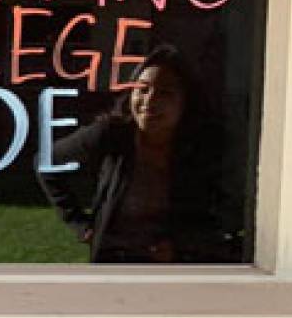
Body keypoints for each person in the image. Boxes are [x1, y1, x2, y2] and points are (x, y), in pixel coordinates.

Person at [37, 44, 238, 263]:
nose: (149, 101)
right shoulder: (112, 134)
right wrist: (79, 223)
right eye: (142, 89)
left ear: (186, 102)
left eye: (165, 93)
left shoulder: (201, 150)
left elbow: (229, 214)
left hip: (176, 272)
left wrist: (181, 246)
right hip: (113, 263)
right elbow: (46, 160)